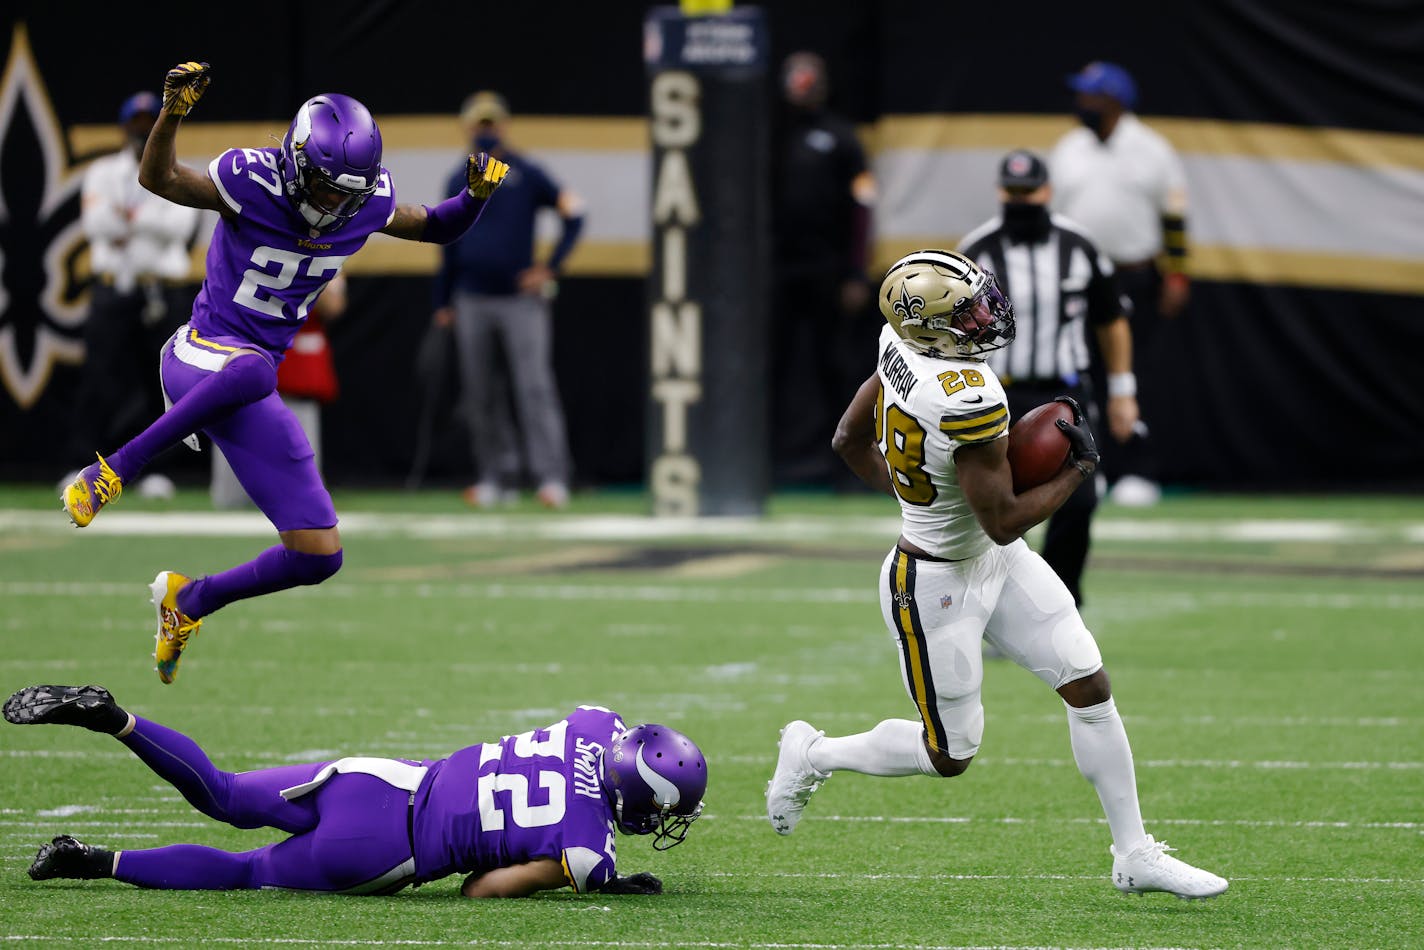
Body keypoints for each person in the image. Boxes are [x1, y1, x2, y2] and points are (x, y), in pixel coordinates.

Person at [765, 250, 1228, 899]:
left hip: (991, 561)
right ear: (930, 326)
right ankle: (813, 753)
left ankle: (1135, 854)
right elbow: (1006, 520)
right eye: (968, 312)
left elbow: (848, 439)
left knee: (1087, 682)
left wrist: (914, 497)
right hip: (935, 583)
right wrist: (1077, 471)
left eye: (981, 301)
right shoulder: (968, 397)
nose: (985, 317)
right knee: (948, 754)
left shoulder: (897, 339)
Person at [60, 62, 510, 684]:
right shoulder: (252, 178)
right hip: (198, 353)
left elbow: (435, 226)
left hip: (247, 379)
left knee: (318, 554)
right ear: (296, 159)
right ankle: (111, 470)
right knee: (256, 372)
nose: (334, 203)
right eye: (326, 187)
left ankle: (189, 602)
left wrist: (476, 199)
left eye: (346, 192)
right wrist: (174, 114)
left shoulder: (363, 199)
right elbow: (157, 177)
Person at [4, 684, 706, 897]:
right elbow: (478, 892)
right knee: (249, 872)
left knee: (220, 790)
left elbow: (590, 735)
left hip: (380, 778)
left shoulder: (596, 724)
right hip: (383, 849)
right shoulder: (589, 851)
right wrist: (588, 878)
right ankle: (94, 861)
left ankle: (117, 719)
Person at [958, 150, 1139, 605]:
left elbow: (1111, 318)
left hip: (1064, 393)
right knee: (991, 506)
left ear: (1048, 190)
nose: (1021, 200)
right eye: (1012, 191)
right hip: (996, 391)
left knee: (1079, 499)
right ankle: (998, 606)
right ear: (1000, 191)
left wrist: (1122, 391)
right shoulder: (975, 251)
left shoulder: (1079, 246)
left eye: (1029, 191)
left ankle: (1059, 601)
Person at [431, 90, 585, 510]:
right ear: (467, 127)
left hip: (520, 300)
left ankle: (552, 477)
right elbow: (447, 243)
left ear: (503, 126)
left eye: (491, 123)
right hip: (471, 299)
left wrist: (550, 268)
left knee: (534, 387)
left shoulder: (526, 172)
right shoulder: (456, 177)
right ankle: (497, 476)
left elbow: (575, 213)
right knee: (480, 393)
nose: (485, 131)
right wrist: (442, 301)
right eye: (478, 124)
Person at [1050, 62, 1190, 507]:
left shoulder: (1151, 149)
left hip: (1133, 274)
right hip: (1078, 276)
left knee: (1134, 373)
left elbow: (1173, 216)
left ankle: (1138, 470)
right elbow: (1051, 215)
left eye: (1091, 97)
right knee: (1079, 373)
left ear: (1114, 101)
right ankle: (1092, 468)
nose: (1082, 105)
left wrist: (1177, 272)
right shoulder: (1069, 148)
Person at [65, 90, 201, 501]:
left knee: (158, 382)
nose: (143, 132)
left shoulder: (181, 169)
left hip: (162, 288)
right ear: (125, 128)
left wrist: (132, 220)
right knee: (99, 378)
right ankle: (81, 465)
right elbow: (98, 225)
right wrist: (146, 220)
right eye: (137, 124)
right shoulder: (104, 172)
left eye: (150, 124)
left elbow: (177, 228)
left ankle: (155, 471)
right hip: (115, 285)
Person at [769, 51, 877, 485]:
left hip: (828, 271)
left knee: (834, 364)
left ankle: (846, 464)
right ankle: (770, 460)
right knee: (774, 364)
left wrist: (855, 272)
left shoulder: (842, 138)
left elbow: (863, 208)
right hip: (780, 269)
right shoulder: (770, 136)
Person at [210, 273, 347, 509]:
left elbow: (333, 306)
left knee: (303, 491)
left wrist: (307, 279)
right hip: (247, 352)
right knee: (231, 497)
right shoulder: (246, 246)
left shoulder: (325, 255)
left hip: (295, 365)